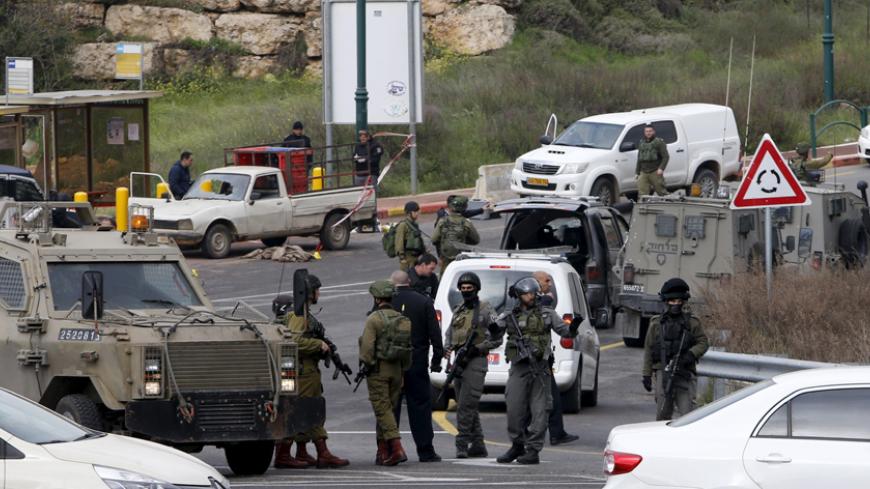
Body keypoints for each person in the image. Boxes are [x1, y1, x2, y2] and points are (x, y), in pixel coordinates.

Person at [494, 277, 578, 465]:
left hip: (540, 369)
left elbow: (565, 332)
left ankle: (533, 450)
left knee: (540, 411)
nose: (531, 297)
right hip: (519, 367)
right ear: (519, 295)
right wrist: (491, 327)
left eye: (533, 293)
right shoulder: (510, 315)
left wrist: (574, 326)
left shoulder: (547, 313)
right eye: (526, 294)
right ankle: (517, 444)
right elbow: (495, 332)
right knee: (514, 409)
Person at [275, 275, 350, 469]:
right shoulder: (299, 315)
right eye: (317, 290)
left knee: (311, 410)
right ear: (310, 292)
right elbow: (293, 342)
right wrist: (319, 344)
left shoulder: (303, 312)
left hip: (307, 370)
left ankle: (307, 451)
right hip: (303, 370)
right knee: (303, 410)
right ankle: (286, 454)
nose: (319, 294)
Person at [444, 272, 501, 459]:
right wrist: (447, 348)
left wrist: (478, 348)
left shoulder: (485, 310)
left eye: (470, 288)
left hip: (476, 361)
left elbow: (497, 337)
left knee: (466, 406)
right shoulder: (459, 309)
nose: (466, 291)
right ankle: (478, 444)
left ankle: (461, 444)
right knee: (466, 404)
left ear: (476, 289)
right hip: (460, 362)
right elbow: (450, 332)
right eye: (463, 288)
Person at [390, 271, 445, 462]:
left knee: (390, 407)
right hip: (416, 361)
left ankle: (388, 449)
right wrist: (436, 360)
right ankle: (425, 450)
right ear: (409, 282)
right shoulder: (423, 302)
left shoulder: (386, 302)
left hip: (392, 363)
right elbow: (435, 334)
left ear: (393, 283)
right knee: (420, 407)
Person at [359, 280, 413, 466]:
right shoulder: (402, 319)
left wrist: (367, 364)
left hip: (379, 370)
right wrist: (403, 371)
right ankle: (382, 451)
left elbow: (367, 348)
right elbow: (407, 349)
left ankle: (397, 448)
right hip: (397, 370)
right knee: (387, 409)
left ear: (376, 298)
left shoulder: (374, 319)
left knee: (382, 409)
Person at [642, 278, 709, 421]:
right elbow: (649, 348)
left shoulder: (692, 323)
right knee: (662, 414)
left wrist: (690, 355)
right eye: (672, 301)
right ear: (666, 302)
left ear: (683, 301)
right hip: (663, 373)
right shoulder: (656, 324)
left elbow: (703, 342)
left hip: (685, 373)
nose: (675, 304)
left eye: (678, 301)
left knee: (687, 415)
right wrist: (646, 375)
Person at [531, 271, 579, 446]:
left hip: (542, 360)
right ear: (536, 283)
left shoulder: (545, 305)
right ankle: (539, 436)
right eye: (546, 280)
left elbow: (563, 330)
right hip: (529, 362)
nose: (549, 284)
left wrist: (573, 328)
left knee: (552, 398)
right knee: (539, 399)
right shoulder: (528, 304)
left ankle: (556, 433)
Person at [432, 195, 480, 274]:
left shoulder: (442, 221)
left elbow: (434, 239)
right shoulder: (466, 223)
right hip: (461, 259)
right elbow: (476, 240)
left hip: (445, 258)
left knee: (445, 278)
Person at [636, 124, 669, 197]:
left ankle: (670, 205)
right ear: (644, 132)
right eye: (646, 131)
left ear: (653, 132)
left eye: (650, 131)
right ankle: (643, 207)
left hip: (655, 171)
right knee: (642, 194)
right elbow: (639, 158)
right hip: (643, 172)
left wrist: (661, 168)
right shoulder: (641, 142)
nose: (648, 133)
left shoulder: (659, 142)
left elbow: (665, 157)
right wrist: (637, 172)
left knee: (662, 192)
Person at [394, 201, 426, 272]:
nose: (417, 214)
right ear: (409, 213)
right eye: (416, 212)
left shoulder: (414, 224)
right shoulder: (403, 225)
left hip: (416, 258)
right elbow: (399, 242)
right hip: (408, 259)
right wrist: (402, 258)